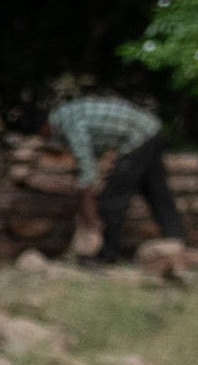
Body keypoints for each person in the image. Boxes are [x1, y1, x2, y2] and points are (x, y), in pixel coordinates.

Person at [50, 92, 181, 262]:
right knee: (157, 193)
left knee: (112, 199)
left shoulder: (67, 123)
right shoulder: (65, 113)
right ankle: (178, 241)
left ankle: (107, 254)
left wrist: (90, 212)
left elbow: (86, 166)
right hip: (151, 131)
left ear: (43, 126)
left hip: (140, 136)